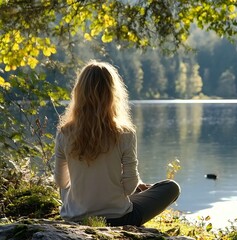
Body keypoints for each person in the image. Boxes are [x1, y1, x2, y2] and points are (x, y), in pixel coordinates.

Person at [54, 60, 180, 226]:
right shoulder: (125, 133)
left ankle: (82, 208)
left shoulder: (64, 133)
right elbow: (129, 188)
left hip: (75, 217)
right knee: (171, 187)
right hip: (118, 218)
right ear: (113, 94)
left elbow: (61, 182)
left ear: (78, 93)